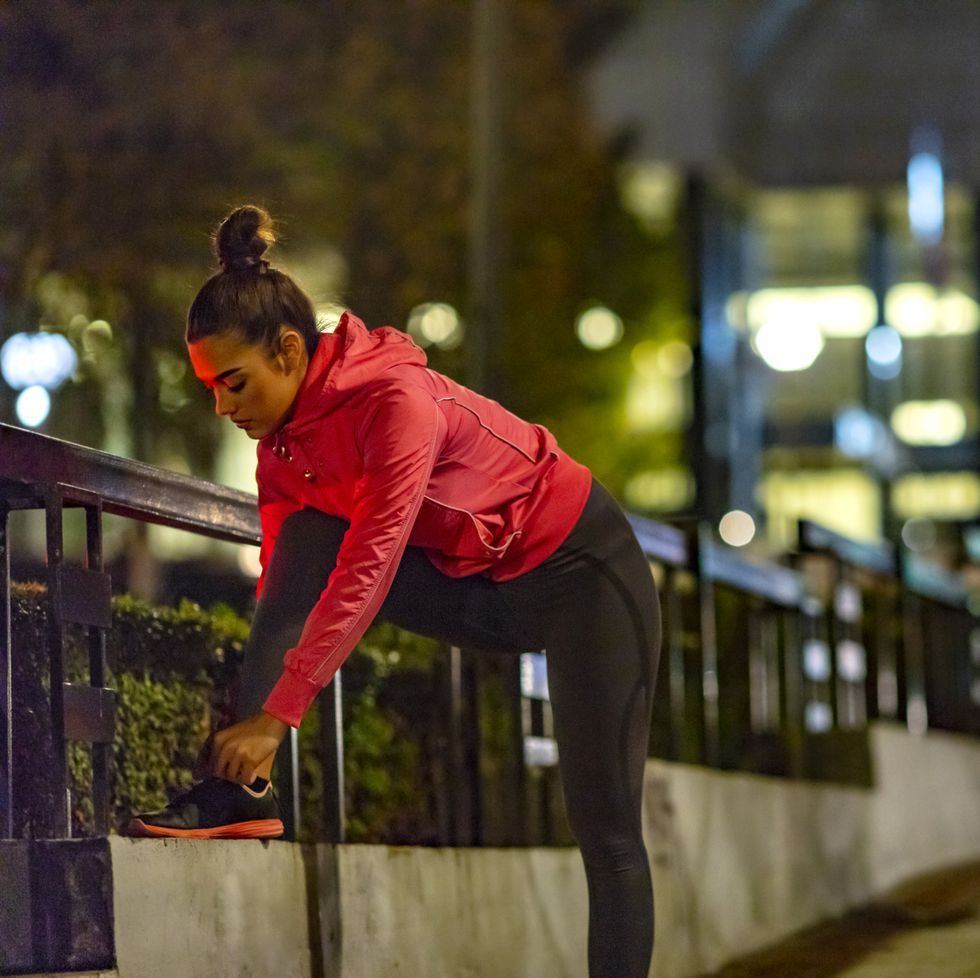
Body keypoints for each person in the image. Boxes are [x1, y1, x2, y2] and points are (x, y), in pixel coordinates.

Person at [123, 204, 661, 978]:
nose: (223, 407)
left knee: (606, 832)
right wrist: (256, 706)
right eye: (210, 388)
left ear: (288, 350)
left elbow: (372, 563)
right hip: (482, 589)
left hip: (585, 578)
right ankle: (245, 796)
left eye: (233, 383)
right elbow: (285, 580)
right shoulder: (282, 450)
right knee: (308, 536)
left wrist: (281, 714)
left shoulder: (395, 404)